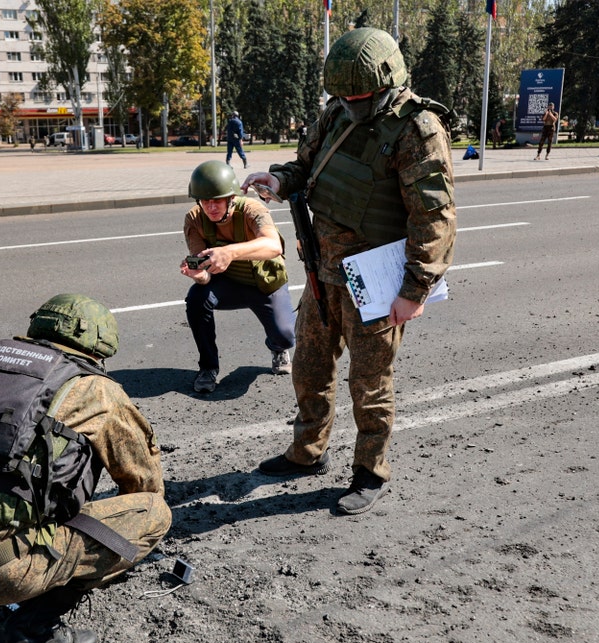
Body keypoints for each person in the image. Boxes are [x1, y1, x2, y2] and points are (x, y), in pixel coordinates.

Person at [241, 27, 455, 515]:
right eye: (345, 95)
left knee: (370, 381)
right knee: (309, 367)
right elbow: (306, 168)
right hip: (324, 271)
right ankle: (307, 452)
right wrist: (278, 179)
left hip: (377, 283)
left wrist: (416, 289)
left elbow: (434, 218)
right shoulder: (336, 113)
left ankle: (369, 470)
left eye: (361, 96)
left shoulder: (417, 129)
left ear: (387, 82)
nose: (351, 103)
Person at [0, 294, 172, 643]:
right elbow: (143, 482)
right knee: (154, 514)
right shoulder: (97, 390)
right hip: (4, 574)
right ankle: (30, 630)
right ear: (100, 345)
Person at [181, 160, 295, 393]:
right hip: (227, 285)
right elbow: (204, 276)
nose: (211, 207)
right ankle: (208, 367)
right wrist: (198, 275)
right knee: (196, 298)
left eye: (217, 201)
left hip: (264, 284)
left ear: (230, 198)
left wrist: (230, 252)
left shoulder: (253, 210)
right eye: (205, 201)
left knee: (286, 337)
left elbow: (274, 246)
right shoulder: (195, 219)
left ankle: (277, 347)